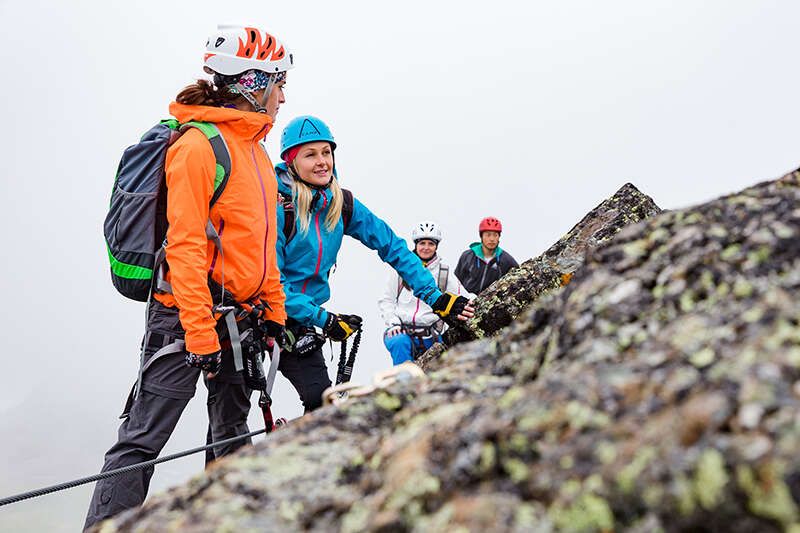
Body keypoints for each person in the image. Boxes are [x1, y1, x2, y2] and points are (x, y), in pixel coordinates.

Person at [85, 25, 292, 529]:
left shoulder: (256, 152)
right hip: (183, 319)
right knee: (143, 440)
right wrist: (199, 333)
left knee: (230, 431)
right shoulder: (199, 147)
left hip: (239, 319)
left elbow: (260, 249)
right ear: (251, 82)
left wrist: (275, 313)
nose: (283, 94)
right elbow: (184, 246)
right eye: (278, 81)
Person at [275, 116, 474, 412]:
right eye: (310, 154)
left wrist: (437, 298)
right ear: (291, 162)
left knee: (321, 402)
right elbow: (272, 282)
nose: (322, 162)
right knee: (230, 412)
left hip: (299, 323)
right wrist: (324, 319)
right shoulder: (276, 207)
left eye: (326, 152)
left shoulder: (341, 204)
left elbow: (392, 246)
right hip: (260, 317)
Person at [378, 221, 474, 365]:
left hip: (432, 335)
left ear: (436, 246)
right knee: (398, 343)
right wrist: (393, 323)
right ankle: (402, 384)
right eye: (422, 243)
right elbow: (386, 300)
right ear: (416, 244)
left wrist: (476, 300)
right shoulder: (399, 270)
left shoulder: (444, 272)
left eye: (431, 244)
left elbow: (463, 295)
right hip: (402, 332)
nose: (426, 248)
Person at [455, 217, 519, 295]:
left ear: (499, 237)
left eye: (495, 235)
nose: (492, 239)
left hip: (490, 304)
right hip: (466, 302)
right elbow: (456, 282)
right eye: (488, 235)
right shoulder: (467, 256)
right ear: (481, 236)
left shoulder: (506, 260)